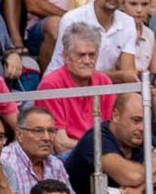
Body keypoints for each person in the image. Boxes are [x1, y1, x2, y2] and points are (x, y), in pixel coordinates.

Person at [66, 92, 156, 194]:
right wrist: (150, 168)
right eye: (136, 120)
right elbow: (132, 177)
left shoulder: (144, 138)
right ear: (116, 116)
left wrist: (140, 190)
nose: (143, 128)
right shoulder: (95, 139)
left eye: (146, 121)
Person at [45, 0, 137, 82]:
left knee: (133, 98)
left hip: (101, 86)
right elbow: (75, 71)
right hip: (64, 86)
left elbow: (127, 72)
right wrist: (119, 76)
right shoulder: (72, 19)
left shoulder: (128, 22)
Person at [36, 24, 116, 153]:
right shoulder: (51, 85)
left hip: (101, 152)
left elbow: (112, 132)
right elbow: (60, 143)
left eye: (92, 55)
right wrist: (99, 148)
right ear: (66, 57)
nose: (87, 61)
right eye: (81, 55)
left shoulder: (104, 81)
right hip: (69, 156)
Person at [20, 0, 100, 67]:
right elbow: (33, 3)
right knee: (55, 24)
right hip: (42, 27)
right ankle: (51, 81)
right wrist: (71, 17)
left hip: (89, 21)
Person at [1, 107, 75, 194]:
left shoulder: (56, 165)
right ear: (19, 134)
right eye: (38, 131)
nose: (47, 138)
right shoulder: (4, 162)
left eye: (51, 131)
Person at [123, 0, 156, 87]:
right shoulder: (115, 31)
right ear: (122, 3)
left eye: (145, 4)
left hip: (148, 88)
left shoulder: (150, 34)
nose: (139, 10)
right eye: (133, 4)